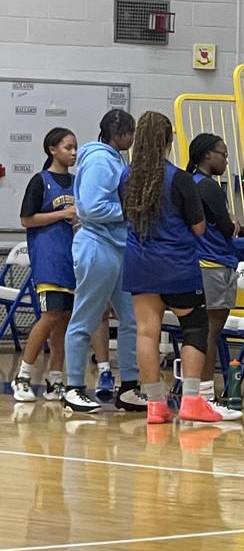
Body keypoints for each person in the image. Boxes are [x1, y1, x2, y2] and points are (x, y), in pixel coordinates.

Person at [121, 112, 231, 425]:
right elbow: (198, 227)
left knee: (146, 332)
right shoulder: (178, 178)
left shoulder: (126, 177)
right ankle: (193, 400)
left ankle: (155, 405)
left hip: (139, 264)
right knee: (195, 327)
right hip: (177, 266)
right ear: (169, 139)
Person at [62, 109, 146, 415]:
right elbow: (94, 208)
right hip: (97, 247)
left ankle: (129, 389)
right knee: (85, 317)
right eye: (131, 133)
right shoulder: (99, 159)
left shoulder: (114, 158)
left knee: (131, 320)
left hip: (117, 248)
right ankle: (73, 388)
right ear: (119, 133)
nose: (134, 138)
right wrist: (129, 210)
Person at [12, 128, 78, 403]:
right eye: (68, 147)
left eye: (75, 148)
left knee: (64, 321)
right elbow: (27, 219)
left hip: (73, 260)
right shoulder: (41, 181)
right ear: (52, 149)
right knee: (50, 316)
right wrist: (62, 213)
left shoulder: (77, 182)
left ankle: (56, 381)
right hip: (49, 259)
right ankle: (23, 376)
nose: (73, 153)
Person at [186, 133, 243, 418]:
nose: (225, 159)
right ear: (208, 154)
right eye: (223, 153)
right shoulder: (209, 187)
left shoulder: (188, 182)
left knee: (199, 331)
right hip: (215, 264)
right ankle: (205, 394)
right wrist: (233, 220)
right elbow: (227, 227)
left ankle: (197, 393)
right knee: (210, 332)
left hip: (195, 264)